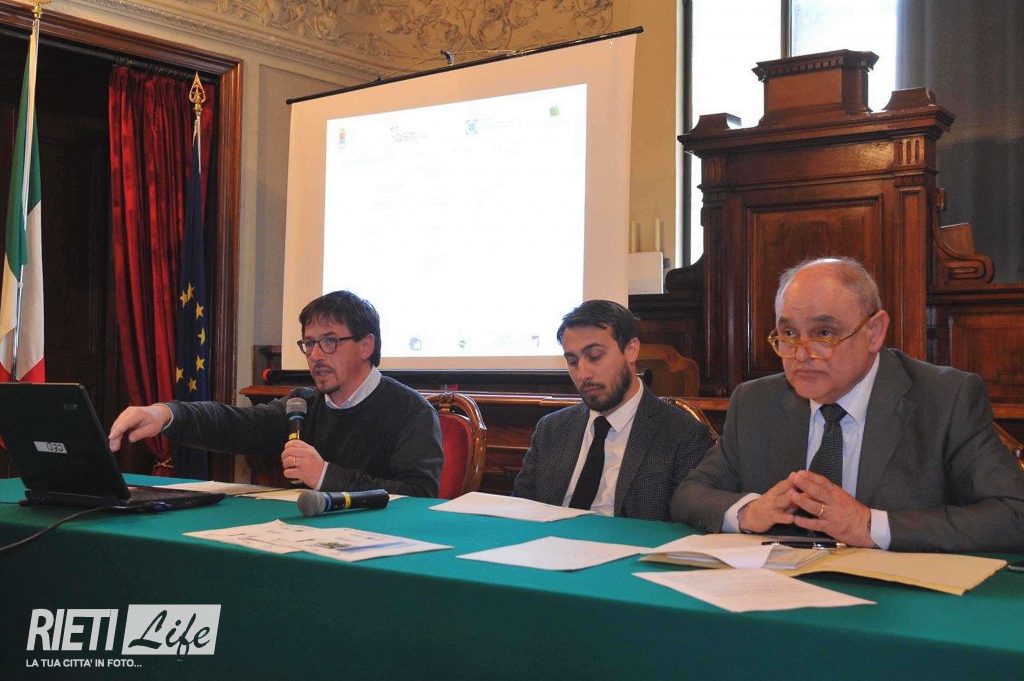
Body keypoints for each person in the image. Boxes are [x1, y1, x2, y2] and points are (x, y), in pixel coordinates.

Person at [672, 257, 1024, 552]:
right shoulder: (756, 402)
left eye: (824, 333)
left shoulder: (946, 398)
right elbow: (690, 494)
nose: (801, 354)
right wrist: (749, 512)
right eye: (789, 334)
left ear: (874, 332)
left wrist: (870, 525)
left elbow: (1013, 515)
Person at [109, 290, 443, 497]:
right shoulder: (303, 405)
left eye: (329, 341)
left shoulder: (409, 412)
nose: (315, 355)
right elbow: (235, 424)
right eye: (309, 343)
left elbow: (419, 494)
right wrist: (167, 414)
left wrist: (325, 475)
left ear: (366, 345)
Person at [513, 300, 714, 521]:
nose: (583, 374)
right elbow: (519, 512)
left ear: (631, 350)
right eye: (572, 361)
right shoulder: (552, 429)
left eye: (595, 356)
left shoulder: (682, 434)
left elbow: (683, 526)